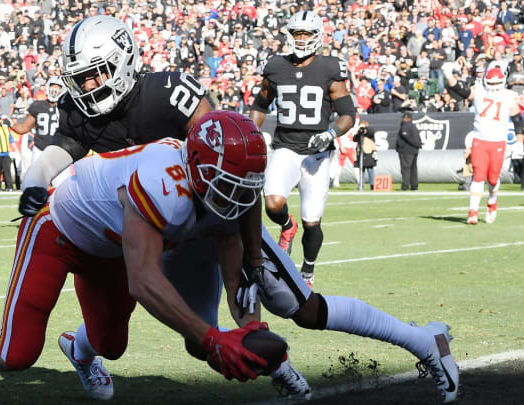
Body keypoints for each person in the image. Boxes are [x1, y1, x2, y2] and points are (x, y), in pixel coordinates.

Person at [18, 15, 310, 398]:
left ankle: (281, 370)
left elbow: (222, 150)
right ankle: (81, 349)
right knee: (129, 330)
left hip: (202, 209)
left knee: (254, 288)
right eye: (82, 77)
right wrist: (34, 181)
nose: (88, 86)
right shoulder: (80, 109)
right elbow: (62, 150)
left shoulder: (166, 92)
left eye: (97, 73)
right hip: (149, 219)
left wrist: (247, 237)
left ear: (122, 61)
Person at [0, 112, 275, 403]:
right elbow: (145, 281)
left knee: (111, 347)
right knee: (16, 353)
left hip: (110, 247)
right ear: (198, 167)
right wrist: (211, 337)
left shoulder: (208, 181)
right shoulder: (163, 182)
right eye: (227, 183)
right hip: (57, 230)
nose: (234, 196)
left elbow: (235, 270)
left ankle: (77, 349)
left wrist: (249, 329)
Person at [248, 10, 356, 288]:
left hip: (317, 153)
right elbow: (261, 105)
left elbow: (347, 114)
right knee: (271, 203)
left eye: (307, 33)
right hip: (285, 146)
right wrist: (250, 132)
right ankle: (286, 226)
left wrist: (332, 132)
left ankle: (307, 271)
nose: (302, 39)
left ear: (318, 36)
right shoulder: (275, 66)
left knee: (312, 221)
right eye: (297, 33)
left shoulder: (330, 68)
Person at [443, 61, 523, 224]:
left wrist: (519, 142)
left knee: (493, 179)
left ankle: (492, 202)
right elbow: (460, 90)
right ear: (486, 81)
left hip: (498, 142)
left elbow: (518, 120)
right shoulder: (478, 91)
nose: (493, 86)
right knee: (478, 176)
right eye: (491, 83)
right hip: (480, 140)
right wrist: (448, 75)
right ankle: (472, 211)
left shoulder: (509, 96)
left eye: (496, 83)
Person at [10, 77, 63, 166]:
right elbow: (23, 128)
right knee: (35, 179)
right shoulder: (38, 105)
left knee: (62, 179)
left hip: (59, 151)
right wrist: (11, 123)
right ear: (47, 88)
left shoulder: (65, 108)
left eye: (58, 88)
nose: (54, 91)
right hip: (40, 149)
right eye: (52, 87)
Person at [396, 112, 422, 191]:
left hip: (406, 150)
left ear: (406, 118)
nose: (402, 119)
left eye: (404, 118)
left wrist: (415, 144)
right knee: (413, 168)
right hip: (414, 150)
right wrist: (418, 144)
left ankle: (405, 186)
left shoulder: (405, 125)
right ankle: (414, 186)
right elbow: (418, 137)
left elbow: (405, 135)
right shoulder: (414, 126)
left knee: (405, 168)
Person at [354, 120, 377, 190]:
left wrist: (365, 129)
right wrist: (359, 131)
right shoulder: (359, 134)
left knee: (370, 170)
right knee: (361, 170)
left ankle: (373, 185)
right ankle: (361, 185)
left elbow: (371, 133)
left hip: (369, 152)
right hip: (361, 153)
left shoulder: (369, 133)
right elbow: (354, 139)